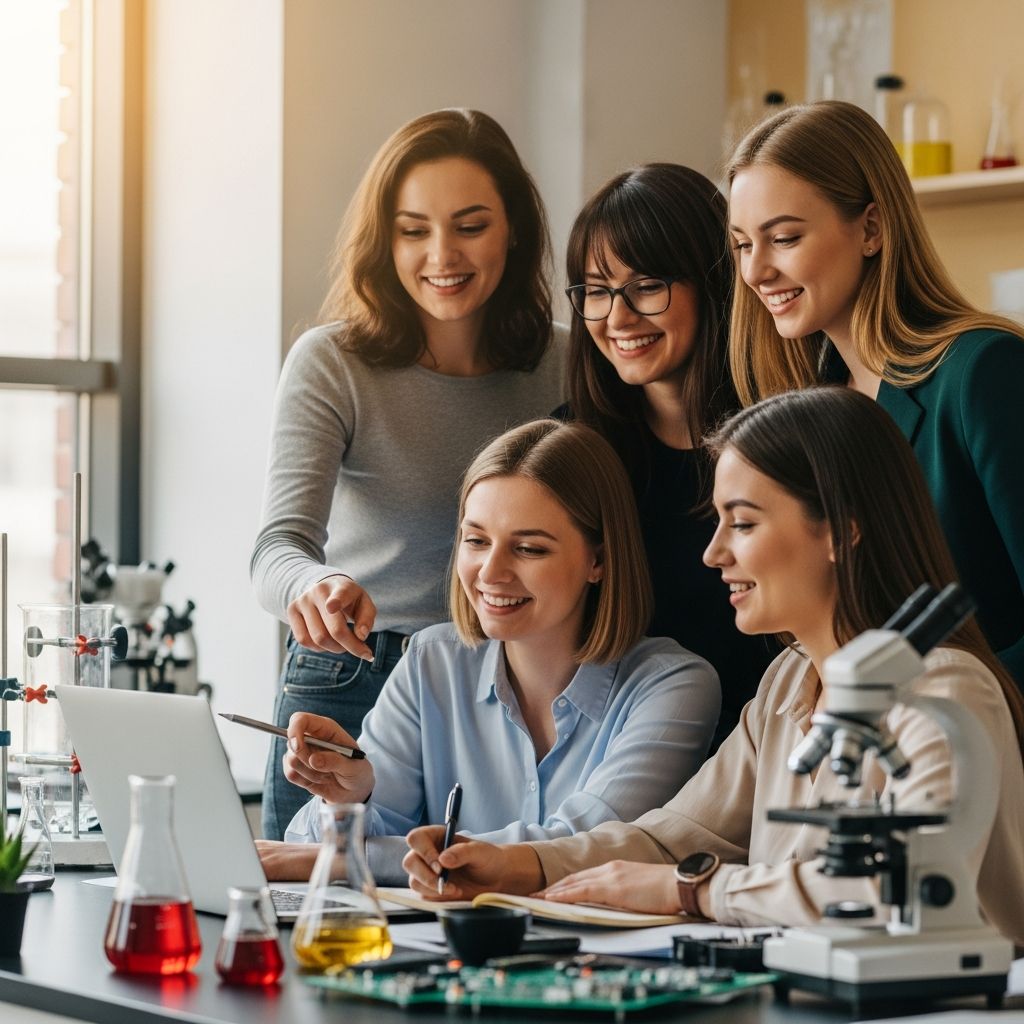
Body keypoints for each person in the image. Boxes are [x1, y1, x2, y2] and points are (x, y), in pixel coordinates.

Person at [403, 388, 1024, 948]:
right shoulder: (788, 682)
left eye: (743, 523)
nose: (713, 552)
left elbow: (899, 888)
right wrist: (521, 865)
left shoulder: (947, 690)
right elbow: (673, 837)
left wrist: (693, 890)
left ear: (840, 531)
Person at [250, 109, 567, 839]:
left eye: (470, 226)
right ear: (384, 240)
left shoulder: (567, 362)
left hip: (510, 681)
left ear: (514, 231)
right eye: (413, 230)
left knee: (490, 883)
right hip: (354, 677)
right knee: (315, 893)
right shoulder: (332, 362)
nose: (441, 254)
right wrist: (314, 585)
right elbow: (275, 551)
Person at [256, 419, 720, 883]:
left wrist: (340, 859)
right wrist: (349, 797)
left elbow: (581, 848)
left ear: (597, 560)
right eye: (476, 541)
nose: (490, 573)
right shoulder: (431, 662)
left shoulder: (675, 687)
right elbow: (316, 844)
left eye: (529, 549)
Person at [725, 99, 1024, 687]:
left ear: (871, 228)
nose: (755, 271)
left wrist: (941, 705)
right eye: (741, 245)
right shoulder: (805, 409)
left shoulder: (982, 373)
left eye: (783, 238)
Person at [560, 163, 776, 748]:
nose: (618, 317)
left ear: (713, 281)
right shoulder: (572, 450)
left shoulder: (784, 439)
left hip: (769, 751)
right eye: (597, 291)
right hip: (620, 759)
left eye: (647, 285)